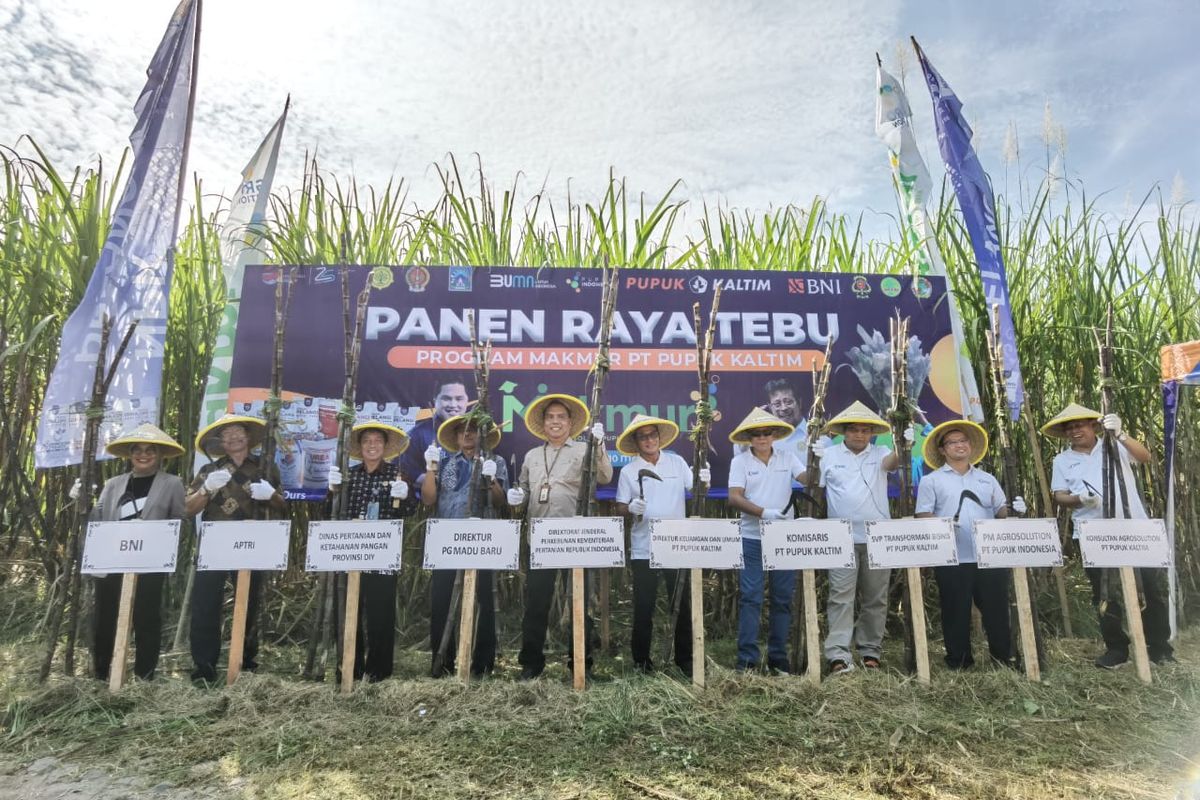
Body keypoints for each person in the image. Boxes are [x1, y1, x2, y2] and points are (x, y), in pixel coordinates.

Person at [1044, 403, 1174, 668]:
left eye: (1079, 425)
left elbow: (1145, 456)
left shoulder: (1113, 445)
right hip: (1093, 533)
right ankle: (1117, 649)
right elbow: (1058, 495)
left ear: (1093, 425)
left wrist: (1121, 435)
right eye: (1069, 428)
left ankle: (1159, 648)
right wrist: (1079, 499)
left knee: (1151, 588)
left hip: (1135, 527)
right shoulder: (1062, 460)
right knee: (1104, 593)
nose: (1074, 431)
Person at [507, 393, 612, 680]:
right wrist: (517, 497)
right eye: (550, 417)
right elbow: (525, 492)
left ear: (570, 423)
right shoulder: (531, 455)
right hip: (541, 539)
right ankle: (531, 665)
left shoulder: (583, 450)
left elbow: (604, 477)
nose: (555, 422)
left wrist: (599, 445)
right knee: (536, 604)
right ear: (543, 423)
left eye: (560, 417)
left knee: (580, 602)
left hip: (576, 537)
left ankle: (581, 664)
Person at [915, 419, 1026, 670]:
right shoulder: (931, 481)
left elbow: (1000, 510)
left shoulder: (987, 479)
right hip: (953, 557)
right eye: (952, 442)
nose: (959, 446)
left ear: (970, 446)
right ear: (942, 450)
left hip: (989, 555)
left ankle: (1003, 659)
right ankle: (959, 661)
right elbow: (923, 514)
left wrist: (1015, 510)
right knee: (956, 611)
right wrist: (943, 524)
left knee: (997, 609)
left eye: (963, 441)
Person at [81, 423, 187, 681]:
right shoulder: (114, 483)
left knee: (146, 617)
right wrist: (81, 500)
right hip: (112, 558)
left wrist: (152, 531)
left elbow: (179, 521)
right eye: (137, 449)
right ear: (129, 454)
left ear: (159, 454)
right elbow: (98, 516)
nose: (144, 454)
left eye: (150, 450)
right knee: (106, 617)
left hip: (149, 561)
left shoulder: (172, 483)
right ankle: (102, 674)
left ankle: (144, 677)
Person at [185, 413, 286, 683]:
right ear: (221, 442)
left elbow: (283, 506)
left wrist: (271, 495)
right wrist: (206, 489)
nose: (234, 437)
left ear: (249, 437)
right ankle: (204, 667)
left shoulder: (265, 468)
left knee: (250, 601)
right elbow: (188, 508)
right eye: (227, 434)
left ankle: (245, 662)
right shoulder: (209, 471)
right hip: (216, 543)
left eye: (238, 431)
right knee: (205, 602)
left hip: (254, 543)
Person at [812, 401, 911, 674]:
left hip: (877, 537)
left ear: (871, 433)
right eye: (854, 430)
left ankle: (870, 652)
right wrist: (813, 458)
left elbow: (894, 462)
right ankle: (839, 656)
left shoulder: (880, 452)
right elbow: (813, 485)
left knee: (876, 599)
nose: (859, 434)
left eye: (865, 430)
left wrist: (903, 444)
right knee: (840, 597)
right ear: (844, 431)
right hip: (840, 536)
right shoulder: (829, 455)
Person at [613, 414, 709, 675]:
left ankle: (685, 659)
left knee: (682, 604)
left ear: (659, 437)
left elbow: (697, 489)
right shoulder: (629, 471)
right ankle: (641, 662)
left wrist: (704, 478)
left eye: (653, 434)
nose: (649, 440)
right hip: (644, 546)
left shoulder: (677, 463)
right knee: (644, 606)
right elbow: (620, 506)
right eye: (643, 436)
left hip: (677, 544)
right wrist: (631, 507)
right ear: (636, 441)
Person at [421, 413, 508, 677]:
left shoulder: (496, 461)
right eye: (462, 431)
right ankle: (442, 664)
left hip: (482, 541)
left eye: (473, 431)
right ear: (456, 437)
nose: (467, 435)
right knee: (442, 603)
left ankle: (482, 666)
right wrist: (430, 470)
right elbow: (428, 500)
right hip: (446, 541)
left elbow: (501, 502)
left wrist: (491, 480)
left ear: (482, 435)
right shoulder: (445, 461)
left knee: (484, 601)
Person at [326, 421, 413, 681]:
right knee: (346, 610)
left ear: (385, 446)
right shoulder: (349, 476)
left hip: (382, 553)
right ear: (360, 447)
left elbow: (408, 512)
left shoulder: (397, 475)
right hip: (349, 551)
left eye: (377, 441)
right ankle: (349, 668)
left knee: (381, 613)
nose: (372, 445)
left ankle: (379, 672)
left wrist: (407, 496)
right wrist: (332, 492)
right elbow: (328, 514)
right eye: (367, 441)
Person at [726, 407, 807, 674]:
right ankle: (747, 659)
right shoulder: (740, 462)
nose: (762, 438)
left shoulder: (788, 456)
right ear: (749, 437)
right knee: (751, 598)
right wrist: (764, 513)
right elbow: (734, 497)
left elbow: (809, 480)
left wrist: (818, 457)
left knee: (783, 599)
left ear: (774, 435)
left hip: (783, 537)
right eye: (756, 434)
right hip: (751, 537)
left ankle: (777, 658)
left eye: (766, 433)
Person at [402, 376, 471, 485]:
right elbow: (408, 473)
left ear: (467, 400)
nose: (453, 405)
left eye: (459, 399)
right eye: (446, 398)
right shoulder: (416, 435)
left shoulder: (477, 433)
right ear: (435, 400)